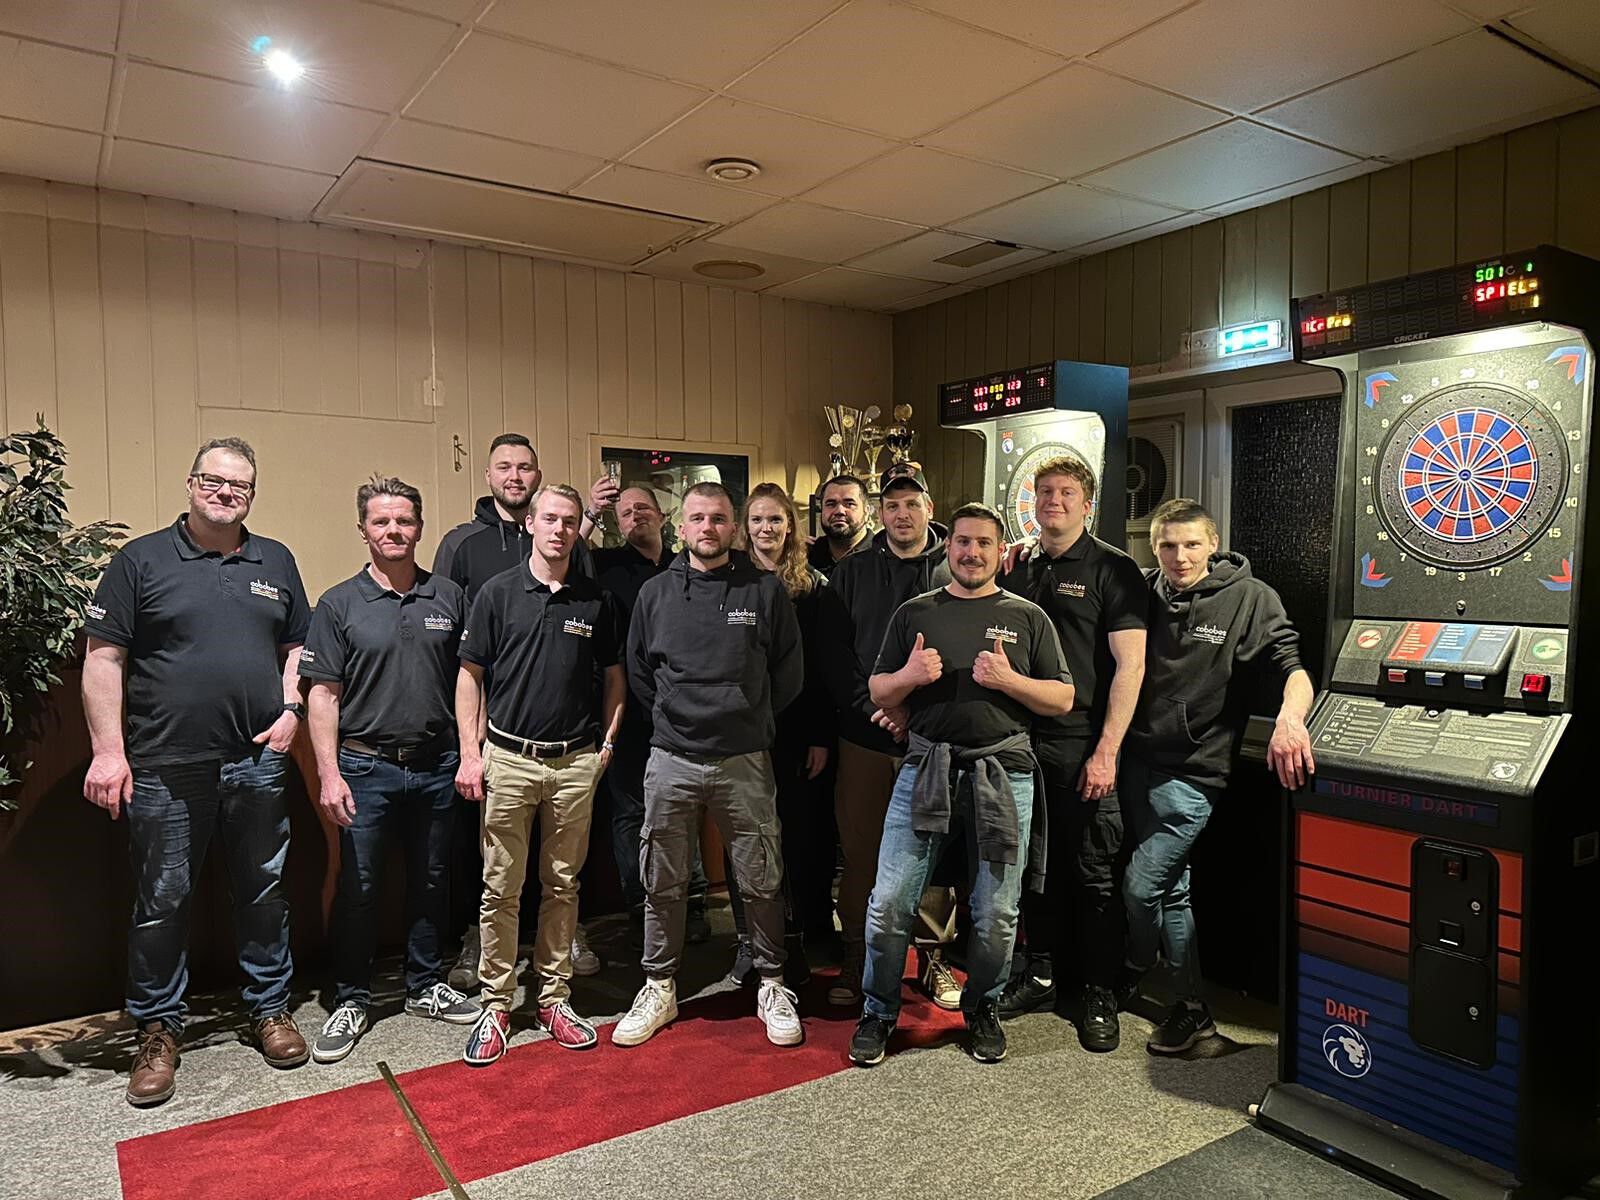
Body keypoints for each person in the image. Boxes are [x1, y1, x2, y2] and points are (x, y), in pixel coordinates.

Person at [82, 437, 312, 1106]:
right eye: (213, 480)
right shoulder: (141, 560)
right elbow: (102, 658)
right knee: (162, 901)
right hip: (163, 766)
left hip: (257, 760)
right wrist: (108, 751)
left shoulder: (276, 559)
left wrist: (292, 709)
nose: (225, 492)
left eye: (239, 484)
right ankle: (158, 1030)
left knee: (264, 892)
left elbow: (298, 645)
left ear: (251, 495)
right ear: (190, 485)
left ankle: (270, 1009)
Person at [849, 503, 1073, 1066]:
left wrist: (1011, 680)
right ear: (948, 548)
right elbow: (878, 690)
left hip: (1004, 775)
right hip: (925, 769)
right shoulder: (916, 612)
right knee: (889, 902)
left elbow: (1063, 698)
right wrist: (908, 677)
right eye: (963, 542)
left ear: (1000, 552)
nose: (972, 553)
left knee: (997, 913)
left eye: (983, 544)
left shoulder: (1028, 617)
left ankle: (982, 1008)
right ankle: (878, 1012)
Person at [613, 482, 805, 1048]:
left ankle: (772, 982)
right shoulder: (654, 594)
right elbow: (640, 673)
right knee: (662, 878)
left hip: (744, 759)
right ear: (682, 527)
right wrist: (678, 716)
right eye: (697, 518)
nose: (708, 528)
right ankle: (659, 984)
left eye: (718, 519)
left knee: (761, 876)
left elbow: (788, 673)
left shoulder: (764, 590)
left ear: (733, 527)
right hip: (671, 757)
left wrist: (746, 715)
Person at [1121, 498, 1315, 1054]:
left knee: (1141, 887)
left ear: (1212, 543)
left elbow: (1293, 669)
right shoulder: (1145, 590)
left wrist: (1291, 720)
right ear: (1154, 548)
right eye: (1167, 546)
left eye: (1191, 544)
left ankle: (1133, 964)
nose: (1179, 557)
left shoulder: (1250, 597)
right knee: (1171, 892)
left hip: (1194, 773)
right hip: (1136, 762)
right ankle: (1191, 1010)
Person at [300, 477, 480, 1064]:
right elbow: (322, 694)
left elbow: (471, 680)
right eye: (381, 521)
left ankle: (425, 985)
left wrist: (470, 751)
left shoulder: (449, 597)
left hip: (437, 765)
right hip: (364, 768)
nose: (393, 531)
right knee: (359, 887)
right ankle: (352, 998)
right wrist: (329, 773)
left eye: (403, 521)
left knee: (432, 881)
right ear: (363, 530)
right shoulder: (339, 604)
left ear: (419, 528)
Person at [435, 433, 619, 989]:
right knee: (500, 884)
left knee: (563, 883)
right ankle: (496, 993)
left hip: (575, 758)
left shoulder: (594, 597)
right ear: (532, 524)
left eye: (570, 521)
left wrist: (605, 746)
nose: (559, 529)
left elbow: (614, 675)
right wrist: (472, 751)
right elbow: (468, 670)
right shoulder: (488, 582)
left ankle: (554, 987)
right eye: (550, 520)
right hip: (507, 753)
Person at [996, 456, 1147, 1053]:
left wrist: (1106, 751)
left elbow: (1131, 667)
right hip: (1020, 744)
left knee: (1092, 873)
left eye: (1065, 492)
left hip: (1084, 745)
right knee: (1034, 869)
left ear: (1088, 504)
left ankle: (1099, 992)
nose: (1053, 501)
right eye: (1043, 492)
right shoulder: (1020, 567)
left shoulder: (1115, 569)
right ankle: (1040, 974)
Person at [821, 466, 960, 1010]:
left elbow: (966, 651)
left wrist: (915, 716)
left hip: (933, 739)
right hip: (865, 737)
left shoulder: (956, 566)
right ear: (880, 514)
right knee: (861, 853)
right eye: (893, 505)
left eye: (912, 504)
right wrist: (879, 710)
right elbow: (836, 658)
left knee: (935, 853)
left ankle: (933, 957)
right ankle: (857, 955)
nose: (902, 515)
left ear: (929, 508)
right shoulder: (851, 572)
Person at [726, 482, 842, 986]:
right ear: (744, 527)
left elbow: (821, 670)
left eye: (775, 519)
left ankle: (809, 927)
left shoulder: (813, 586)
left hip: (799, 727)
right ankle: (748, 938)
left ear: (790, 525)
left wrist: (820, 735)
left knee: (803, 832)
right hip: (744, 729)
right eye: (757, 520)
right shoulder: (730, 581)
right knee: (746, 836)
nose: (766, 528)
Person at [590, 486, 711, 950]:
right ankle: (640, 906)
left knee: (683, 809)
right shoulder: (605, 566)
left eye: (643, 508)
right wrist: (590, 511)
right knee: (630, 812)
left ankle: (694, 904)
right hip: (628, 710)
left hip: (681, 712)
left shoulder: (688, 566)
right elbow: (561, 551)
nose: (635, 516)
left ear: (664, 516)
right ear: (617, 524)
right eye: (625, 512)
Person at [808, 474, 871, 576]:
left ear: (866, 512)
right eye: (831, 504)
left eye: (849, 504)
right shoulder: (804, 557)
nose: (839, 511)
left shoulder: (884, 557)